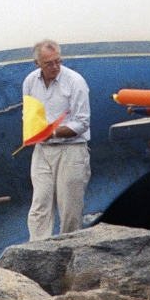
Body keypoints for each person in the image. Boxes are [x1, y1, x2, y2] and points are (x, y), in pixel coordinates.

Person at [23, 39, 91, 241]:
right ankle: (36, 250)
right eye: (49, 64)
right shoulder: (29, 81)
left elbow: (82, 122)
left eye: (57, 62)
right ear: (37, 64)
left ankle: (68, 254)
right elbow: (28, 115)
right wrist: (33, 132)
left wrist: (52, 133)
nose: (54, 67)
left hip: (71, 149)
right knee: (39, 205)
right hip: (42, 150)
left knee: (70, 209)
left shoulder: (75, 81)